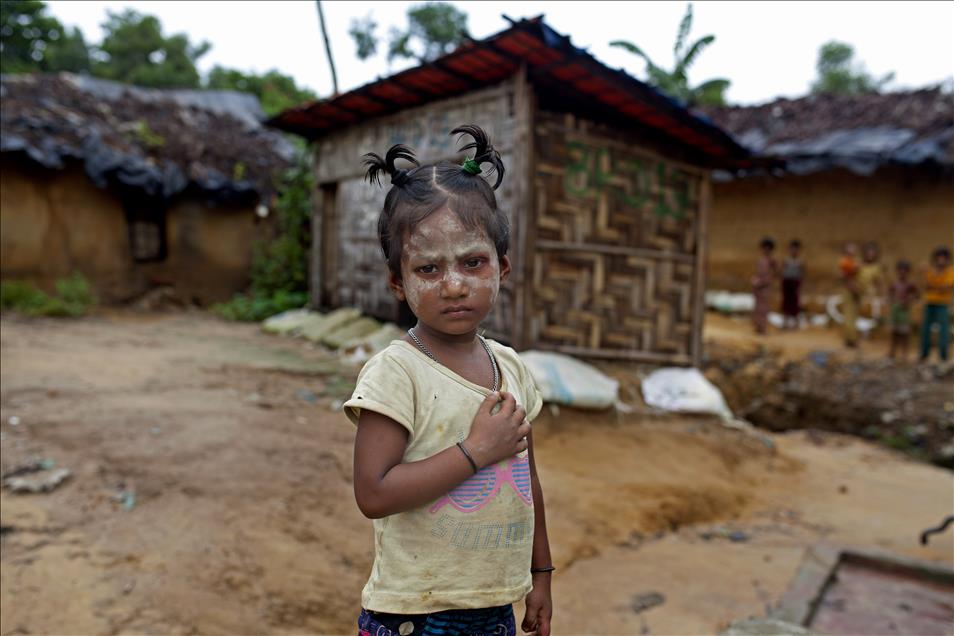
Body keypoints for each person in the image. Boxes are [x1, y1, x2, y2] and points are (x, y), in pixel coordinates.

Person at [343, 125, 552, 636]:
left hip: (495, 605)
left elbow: (527, 481)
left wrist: (541, 572)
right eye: (429, 269)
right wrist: (476, 450)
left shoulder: (512, 367)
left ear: (502, 268)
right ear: (399, 283)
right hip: (416, 614)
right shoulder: (397, 373)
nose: (454, 285)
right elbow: (374, 492)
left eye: (473, 262)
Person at [920, 246, 953, 364]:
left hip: (943, 304)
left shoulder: (950, 272)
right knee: (925, 330)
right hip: (929, 302)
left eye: (943, 258)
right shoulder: (930, 271)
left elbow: (946, 287)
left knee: (944, 330)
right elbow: (926, 285)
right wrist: (935, 284)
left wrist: (933, 285)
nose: (941, 261)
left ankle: (944, 356)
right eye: (939, 258)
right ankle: (924, 355)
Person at [888, 260, 918, 360]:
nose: (902, 272)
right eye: (900, 270)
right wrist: (892, 301)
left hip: (904, 310)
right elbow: (890, 294)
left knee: (904, 332)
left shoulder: (910, 284)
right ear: (897, 271)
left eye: (905, 270)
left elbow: (916, 295)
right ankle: (892, 350)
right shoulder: (894, 283)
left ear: (908, 271)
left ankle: (904, 352)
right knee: (894, 332)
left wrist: (909, 300)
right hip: (895, 309)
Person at [752, 237, 778, 335]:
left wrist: (767, 280)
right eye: (764, 248)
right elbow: (758, 272)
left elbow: (775, 272)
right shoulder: (761, 260)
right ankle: (758, 326)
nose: (766, 250)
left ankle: (763, 327)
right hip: (758, 285)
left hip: (766, 285)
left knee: (764, 308)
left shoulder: (772, 260)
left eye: (768, 248)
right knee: (757, 307)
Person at [858, 241, 887, 323]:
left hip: (870, 295)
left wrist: (883, 296)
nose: (870, 254)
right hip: (859, 294)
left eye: (872, 252)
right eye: (868, 252)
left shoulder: (877, 267)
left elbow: (880, 283)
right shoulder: (859, 265)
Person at [839, 242, 861, 348]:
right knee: (849, 316)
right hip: (849, 290)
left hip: (852, 289)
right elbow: (845, 278)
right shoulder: (845, 262)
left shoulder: (853, 261)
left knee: (852, 316)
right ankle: (850, 339)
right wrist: (854, 289)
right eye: (850, 248)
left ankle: (851, 338)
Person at [780, 239, 804, 329]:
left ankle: (796, 324)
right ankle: (785, 323)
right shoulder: (786, 260)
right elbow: (783, 271)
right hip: (787, 282)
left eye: (795, 249)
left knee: (795, 303)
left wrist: (800, 284)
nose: (794, 251)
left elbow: (802, 274)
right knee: (786, 302)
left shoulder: (800, 262)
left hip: (795, 283)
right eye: (792, 248)